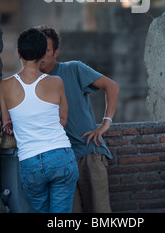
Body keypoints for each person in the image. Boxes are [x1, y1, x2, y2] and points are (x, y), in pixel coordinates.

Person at [36, 25, 120, 213]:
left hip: (88, 153)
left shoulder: (73, 69)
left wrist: (106, 123)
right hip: (58, 162)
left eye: (46, 50)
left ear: (55, 52)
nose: (41, 54)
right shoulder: (30, 82)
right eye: (37, 49)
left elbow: (112, 87)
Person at [0, 28, 78, 213]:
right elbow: (63, 119)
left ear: (18, 53)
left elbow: (7, 124)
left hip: (30, 161)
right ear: (43, 53)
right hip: (60, 155)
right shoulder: (56, 82)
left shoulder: (4, 86)